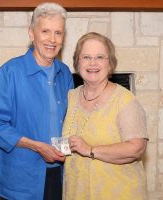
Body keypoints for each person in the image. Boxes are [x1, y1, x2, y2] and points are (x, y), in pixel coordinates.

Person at [0, 2, 74, 200]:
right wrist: (37, 146)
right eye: (45, 31)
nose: (52, 39)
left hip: (58, 173)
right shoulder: (10, 72)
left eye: (58, 33)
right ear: (31, 33)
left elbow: (71, 119)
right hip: (20, 177)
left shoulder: (65, 73)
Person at [62, 32, 148, 200]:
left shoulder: (124, 100)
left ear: (110, 64)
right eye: (86, 57)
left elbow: (136, 148)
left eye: (100, 57)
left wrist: (90, 150)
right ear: (77, 63)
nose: (92, 63)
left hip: (119, 193)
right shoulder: (70, 97)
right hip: (76, 192)